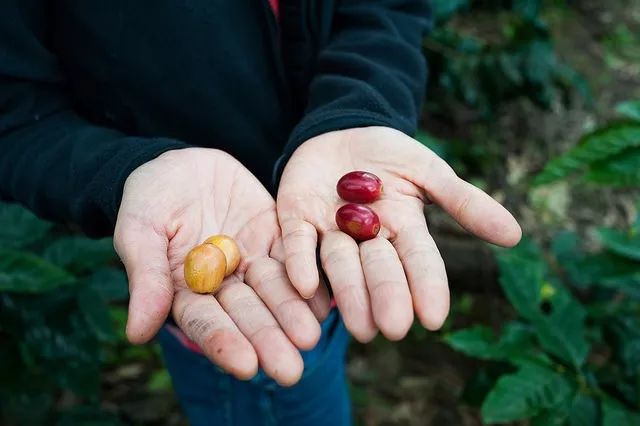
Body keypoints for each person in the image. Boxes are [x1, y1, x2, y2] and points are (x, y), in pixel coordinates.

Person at [0, 1, 521, 425]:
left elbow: (385, 10)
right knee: (268, 399)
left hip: (321, 255)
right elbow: (14, 113)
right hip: (231, 281)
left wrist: (358, 108)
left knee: (313, 375)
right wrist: (122, 171)